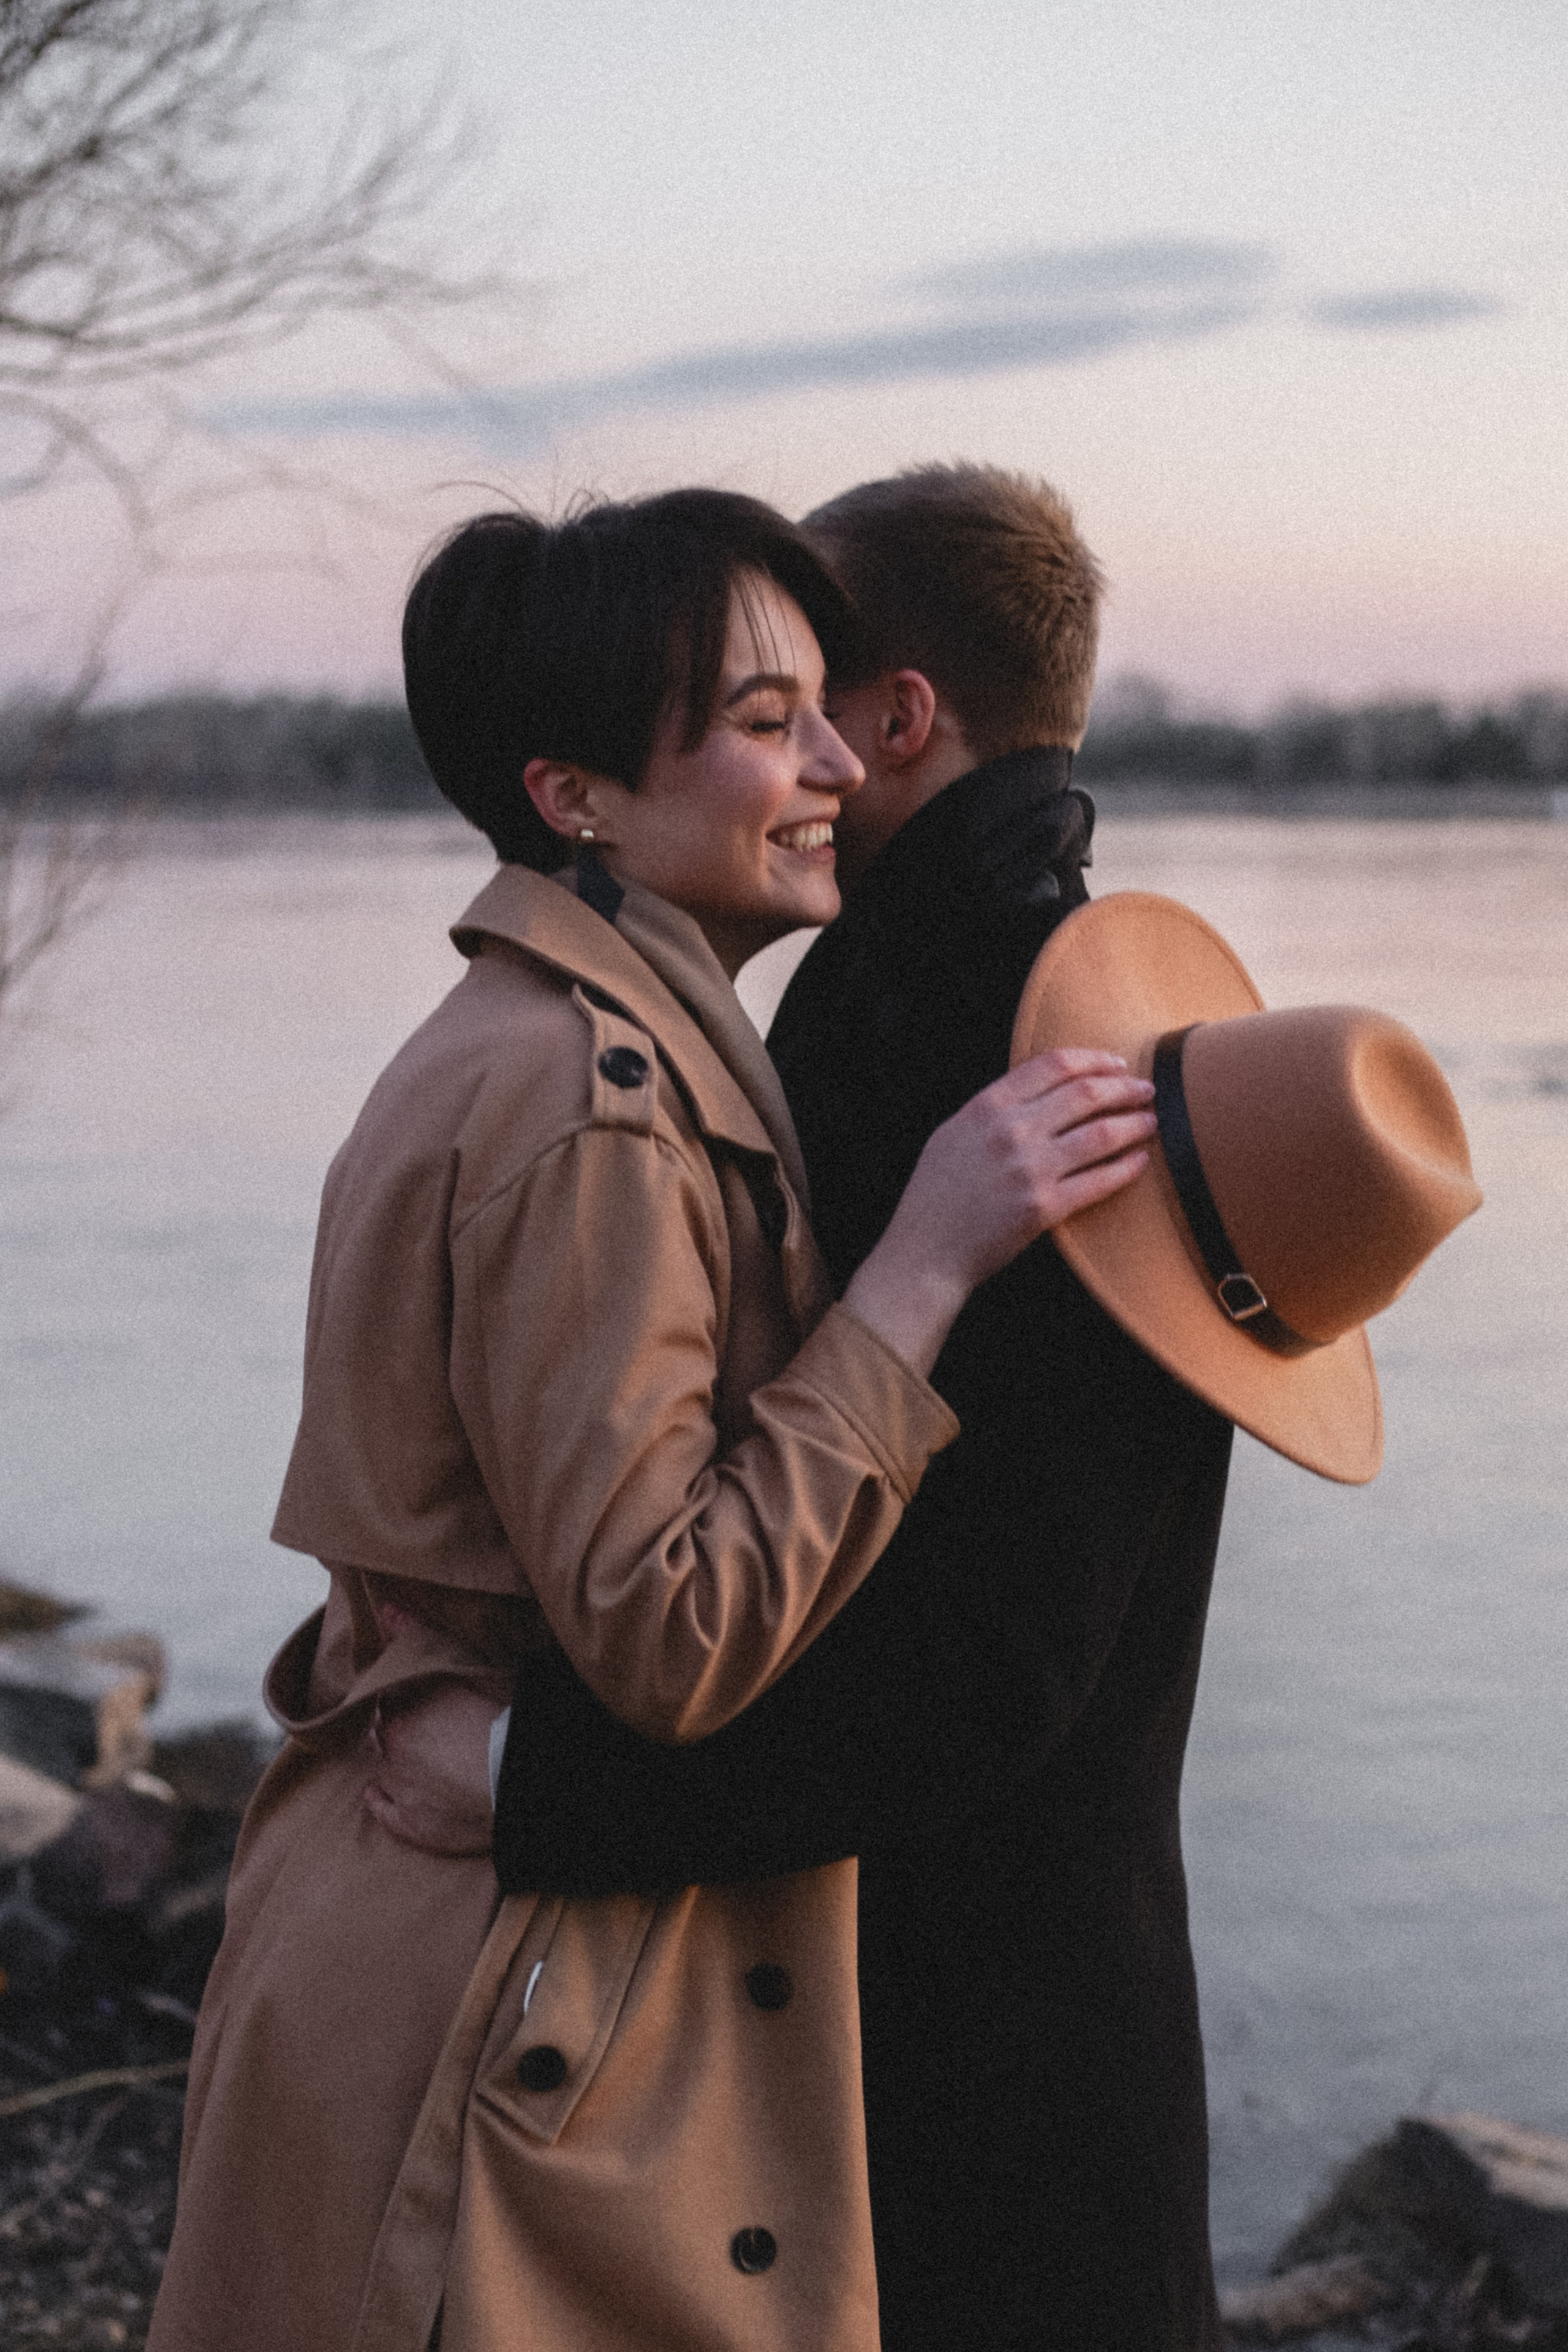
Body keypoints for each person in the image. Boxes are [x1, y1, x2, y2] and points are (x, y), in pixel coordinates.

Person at [148, 486, 1160, 2352]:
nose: (839, 763)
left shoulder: (566, 1039)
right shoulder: (595, 1103)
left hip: (441, 1956)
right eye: (771, 722)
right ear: (578, 798)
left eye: (827, 713)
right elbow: (670, 1627)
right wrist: (921, 1269)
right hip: (493, 2020)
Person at [490, 464, 1242, 2350]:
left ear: (900, 718)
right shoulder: (951, 996)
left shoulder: (1006, 1046)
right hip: (969, 2002)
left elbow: (988, 1666)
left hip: (967, 2055)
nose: (790, 743)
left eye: (794, 687)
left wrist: (522, 1783)